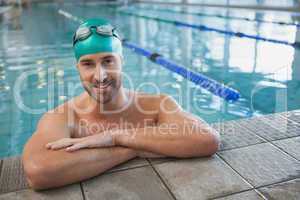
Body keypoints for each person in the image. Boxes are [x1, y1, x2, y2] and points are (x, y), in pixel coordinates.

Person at [22, 18, 220, 190]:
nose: (100, 76)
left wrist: (115, 136)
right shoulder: (63, 116)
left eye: (108, 61)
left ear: (122, 62)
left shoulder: (157, 104)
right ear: (78, 68)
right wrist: (136, 147)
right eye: (88, 64)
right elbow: (39, 172)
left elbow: (207, 139)